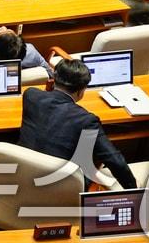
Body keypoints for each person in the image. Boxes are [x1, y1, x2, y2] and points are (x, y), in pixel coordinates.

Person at [19, 58, 137, 188]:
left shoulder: (30, 96)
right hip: (59, 187)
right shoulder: (86, 120)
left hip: (23, 176)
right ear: (81, 91)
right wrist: (134, 190)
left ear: (54, 79)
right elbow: (114, 160)